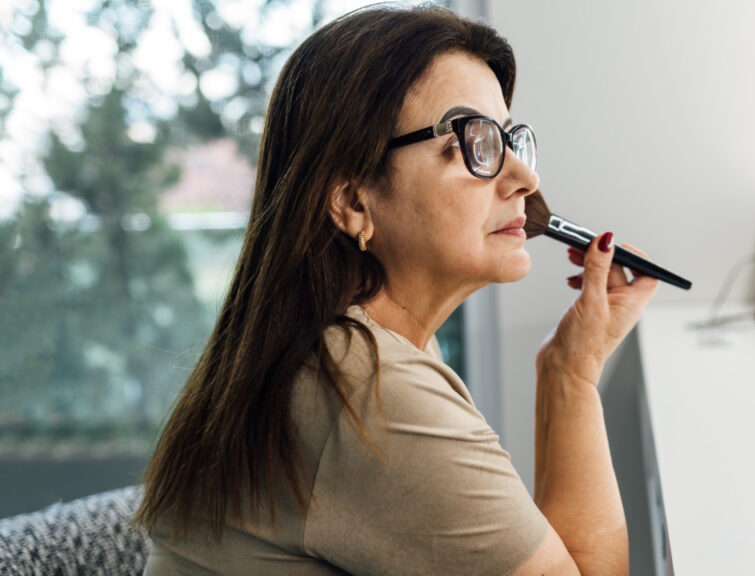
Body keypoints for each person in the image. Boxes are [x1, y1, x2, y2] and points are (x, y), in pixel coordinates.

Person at [135, 5, 657, 575]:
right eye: (473, 141)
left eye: (510, 139)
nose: (525, 179)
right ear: (354, 201)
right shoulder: (367, 390)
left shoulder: (353, 350)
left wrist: (564, 365)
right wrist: (572, 377)